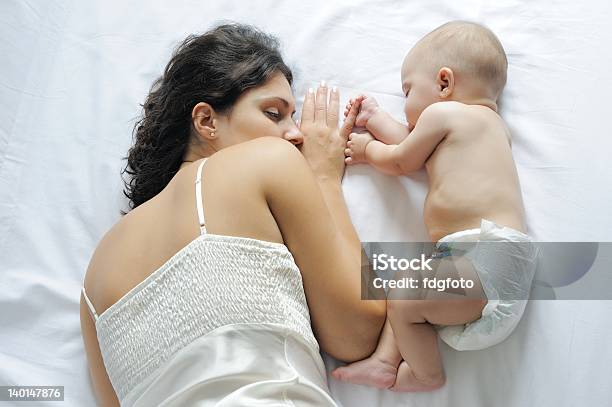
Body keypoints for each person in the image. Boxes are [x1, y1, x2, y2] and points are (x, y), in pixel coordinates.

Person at [80, 23, 385, 406]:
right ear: (206, 121)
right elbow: (356, 332)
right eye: (274, 114)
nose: (296, 135)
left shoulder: (94, 277)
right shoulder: (267, 161)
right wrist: (322, 177)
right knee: (470, 276)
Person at [333, 21, 537, 392]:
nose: (407, 102)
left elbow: (402, 160)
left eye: (407, 90)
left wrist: (367, 150)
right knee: (407, 287)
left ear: (444, 83)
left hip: (484, 259)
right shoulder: (490, 126)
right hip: (493, 260)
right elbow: (422, 150)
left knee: (403, 293)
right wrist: (376, 119)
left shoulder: (442, 116)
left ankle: (426, 375)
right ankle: (385, 358)